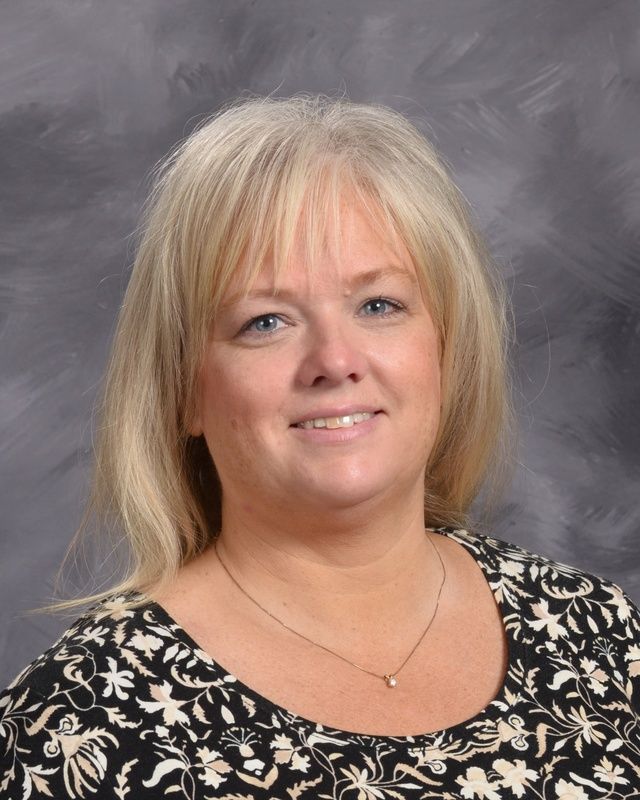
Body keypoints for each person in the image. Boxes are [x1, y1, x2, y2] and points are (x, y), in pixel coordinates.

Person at [1, 95, 639, 800]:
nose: (335, 361)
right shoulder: (78, 722)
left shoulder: (596, 632)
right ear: (186, 390)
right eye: (266, 321)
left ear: (446, 350)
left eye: (379, 306)